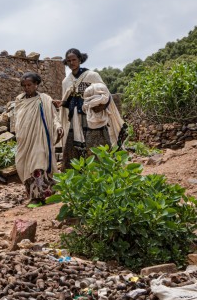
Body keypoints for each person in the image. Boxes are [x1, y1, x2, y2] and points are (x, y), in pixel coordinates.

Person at [54, 48, 124, 168]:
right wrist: (61, 103)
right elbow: (68, 101)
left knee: (96, 146)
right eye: (69, 60)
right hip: (75, 119)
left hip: (93, 118)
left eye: (74, 59)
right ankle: (77, 176)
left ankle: (101, 172)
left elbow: (105, 94)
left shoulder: (91, 75)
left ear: (80, 59)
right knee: (72, 148)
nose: (71, 63)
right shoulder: (66, 81)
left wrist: (102, 106)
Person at [13, 73, 64, 205]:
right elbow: (17, 120)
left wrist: (58, 126)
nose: (27, 88)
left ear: (36, 84)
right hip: (24, 140)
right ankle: (33, 195)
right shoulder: (19, 100)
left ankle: (39, 197)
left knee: (38, 164)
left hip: (39, 138)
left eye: (29, 85)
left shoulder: (45, 99)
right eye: (24, 85)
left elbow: (53, 116)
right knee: (23, 166)